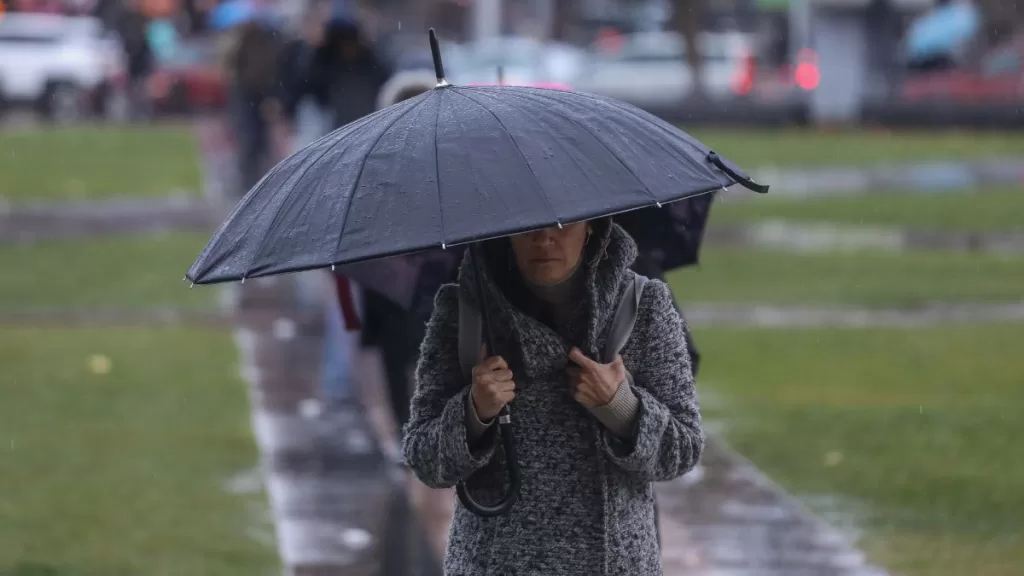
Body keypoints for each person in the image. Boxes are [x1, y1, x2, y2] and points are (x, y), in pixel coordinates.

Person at [403, 218, 704, 575]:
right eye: (527, 224)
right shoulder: (463, 311)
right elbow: (423, 458)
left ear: (592, 224)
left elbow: (683, 449)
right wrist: (474, 412)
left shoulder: (643, 306)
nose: (544, 238)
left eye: (564, 224)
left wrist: (621, 407)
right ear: (507, 231)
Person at [223, 16, 283, 194]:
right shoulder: (250, 42)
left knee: (256, 140)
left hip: (256, 95)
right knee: (252, 140)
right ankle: (251, 181)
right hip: (249, 95)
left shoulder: (266, 43)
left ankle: (256, 180)